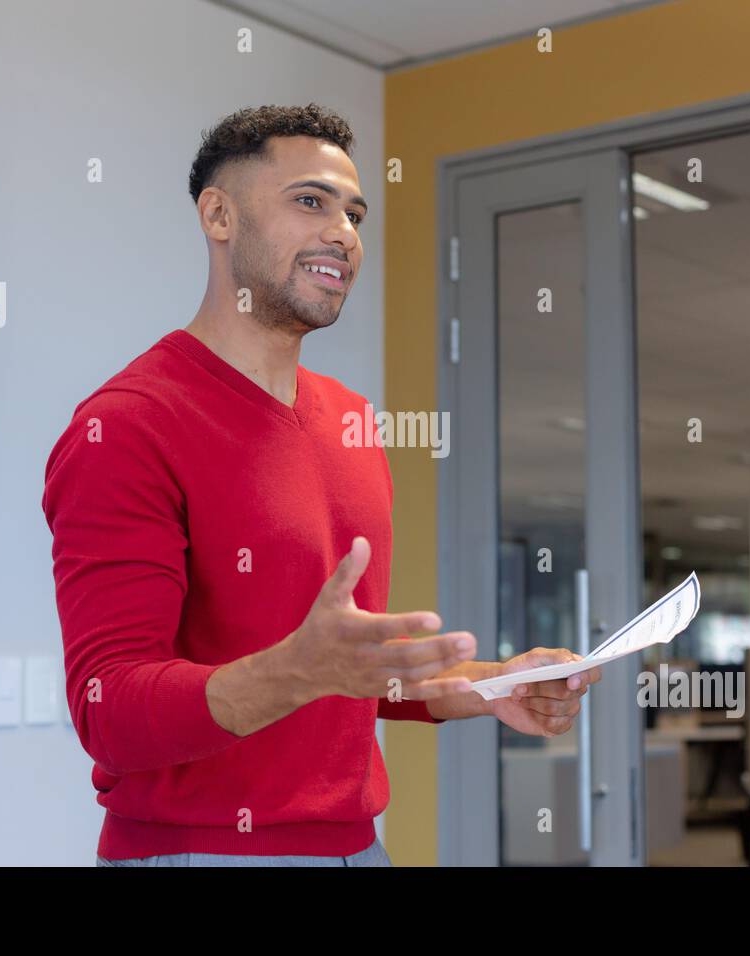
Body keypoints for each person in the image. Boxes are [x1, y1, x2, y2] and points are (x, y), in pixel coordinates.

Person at [41, 103, 601, 867]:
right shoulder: (127, 425)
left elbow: (353, 677)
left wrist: (487, 685)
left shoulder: (352, 421)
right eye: (310, 202)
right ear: (219, 215)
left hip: (357, 848)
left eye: (355, 213)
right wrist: (298, 670)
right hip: (203, 854)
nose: (343, 232)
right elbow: (110, 708)